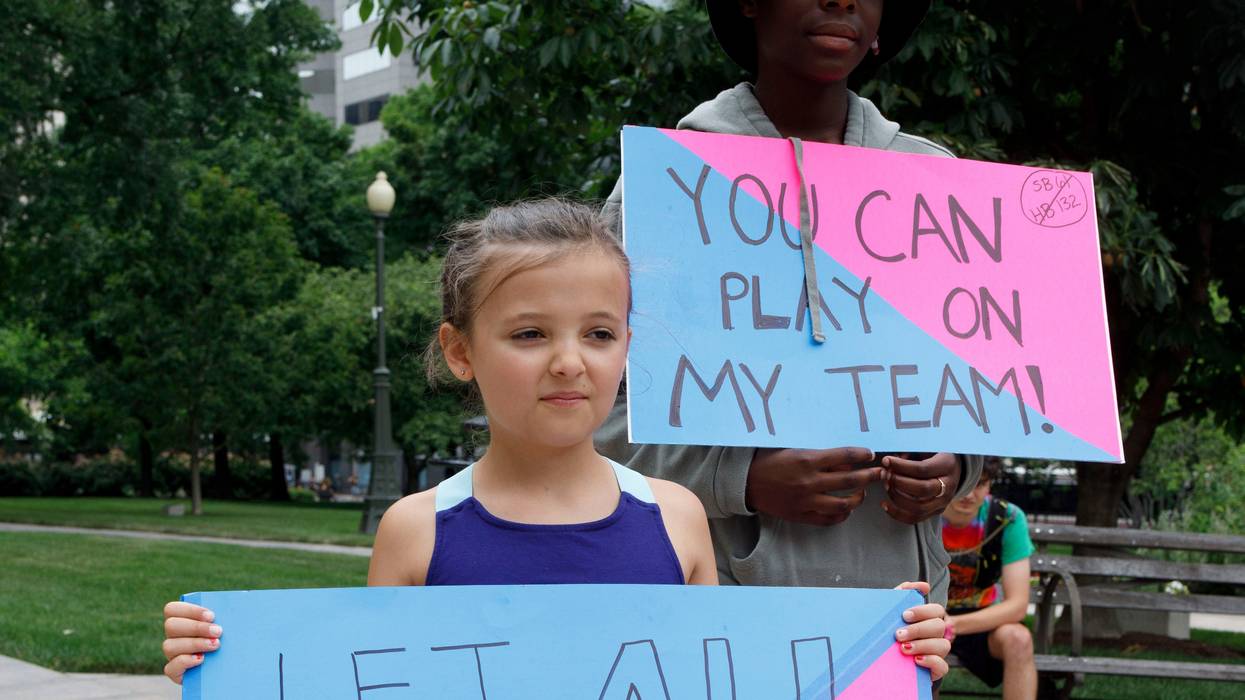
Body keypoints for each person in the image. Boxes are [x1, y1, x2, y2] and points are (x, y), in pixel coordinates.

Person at [159, 198, 952, 684]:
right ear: (460, 349)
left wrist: (883, 651)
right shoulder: (416, 532)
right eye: (530, 333)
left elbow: (726, 678)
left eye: (599, 332)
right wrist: (228, 663)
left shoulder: (676, 518)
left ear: (628, 345)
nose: (569, 361)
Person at [598, 0, 983, 604]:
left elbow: (985, 389)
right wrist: (741, 480)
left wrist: (956, 466)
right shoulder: (669, 179)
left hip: (903, 616)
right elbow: (593, 415)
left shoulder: (936, 183)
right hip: (722, 608)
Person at [942, 458, 1037, 699]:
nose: (969, 494)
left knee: (1019, 638)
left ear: (989, 485)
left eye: (980, 484)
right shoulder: (921, 514)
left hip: (982, 618)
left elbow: (1017, 606)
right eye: (963, 484)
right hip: (925, 615)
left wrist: (952, 625)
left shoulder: (1007, 518)